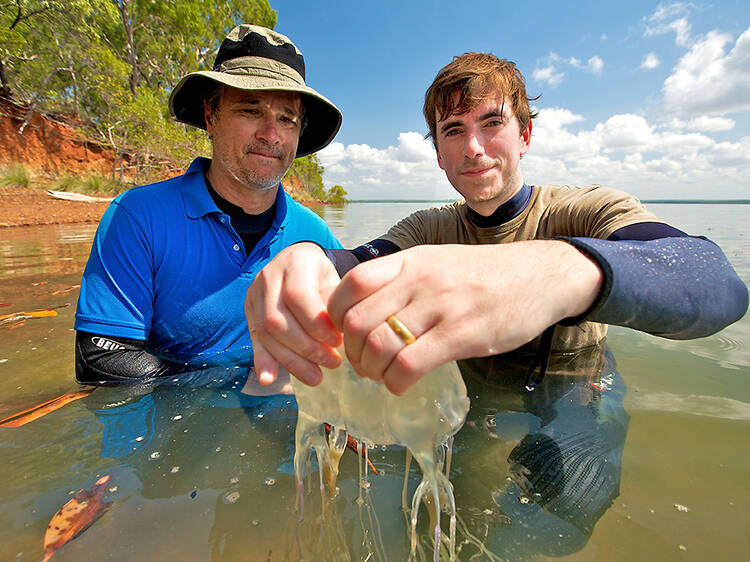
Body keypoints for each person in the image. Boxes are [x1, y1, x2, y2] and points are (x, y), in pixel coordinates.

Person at [245, 53, 748, 395]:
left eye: (492, 122)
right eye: (453, 131)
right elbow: (355, 263)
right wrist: (307, 260)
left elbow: (713, 280)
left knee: (561, 517)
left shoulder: (588, 210)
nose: (474, 148)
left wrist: (553, 271)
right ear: (439, 154)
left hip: (572, 390)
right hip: (469, 393)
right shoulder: (426, 230)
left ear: (525, 134)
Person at [74, 24, 343, 390]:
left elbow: (344, 344)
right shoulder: (138, 217)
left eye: (287, 119)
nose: (271, 134)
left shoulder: (315, 237)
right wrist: (236, 386)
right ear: (210, 115)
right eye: (250, 110)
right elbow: (101, 358)